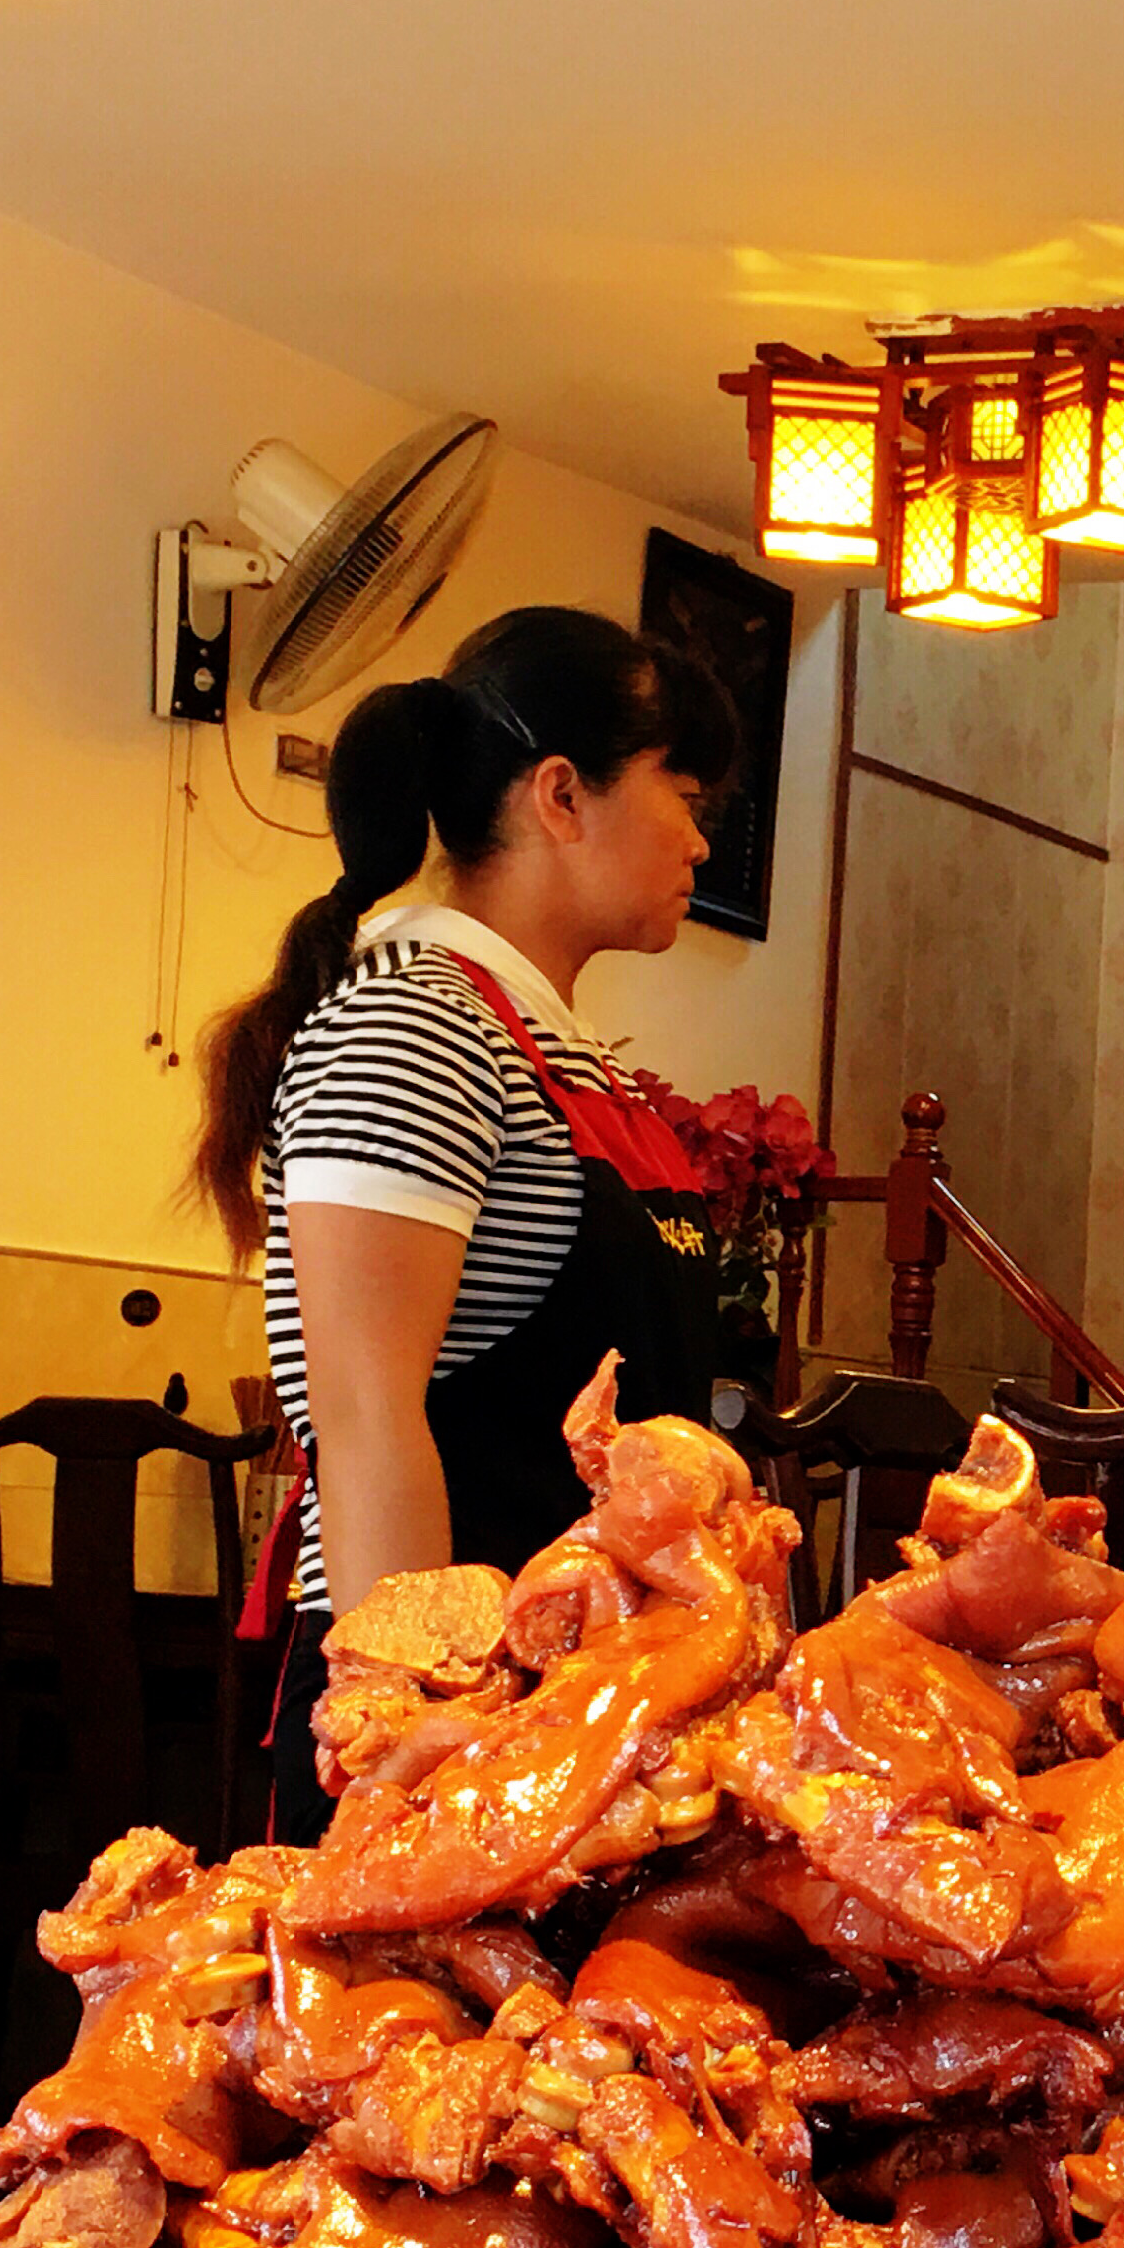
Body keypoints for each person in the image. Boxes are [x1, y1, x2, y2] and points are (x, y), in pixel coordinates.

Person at [193, 604, 738, 1844]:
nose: (700, 839)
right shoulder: (413, 1029)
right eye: (683, 791)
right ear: (563, 795)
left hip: (590, 1713)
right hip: (459, 1727)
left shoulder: (566, 1054)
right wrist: (422, 1756)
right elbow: (366, 1418)